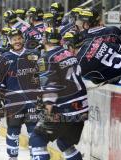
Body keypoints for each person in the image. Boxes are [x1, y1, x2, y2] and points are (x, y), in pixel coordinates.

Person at [30, 27, 88, 160]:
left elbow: (51, 87)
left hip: (64, 110)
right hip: (81, 110)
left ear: (44, 39)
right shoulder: (68, 53)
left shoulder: (46, 58)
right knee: (64, 143)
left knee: (37, 139)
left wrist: (47, 110)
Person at [0, 28, 40, 160]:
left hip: (32, 100)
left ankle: (35, 156)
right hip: (13, 101)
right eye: (14, 39)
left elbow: (43, 76)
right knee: (13, 130)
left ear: (23, 39)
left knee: (34, 131)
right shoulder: (4, 58)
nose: (17, 41)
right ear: (9, 41)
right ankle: (12, 157)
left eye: (19, 38)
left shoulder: (34, 55)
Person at [69, 9, 121, 86]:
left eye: (78, 26)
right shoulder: (113, 30)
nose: (76, 28)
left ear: (86, 25)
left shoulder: (84, 39)